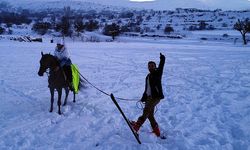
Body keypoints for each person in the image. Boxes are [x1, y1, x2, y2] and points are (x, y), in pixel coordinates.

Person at [131, 53, 165, 137]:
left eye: (152, 66)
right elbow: (147, 89)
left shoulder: (157, 73)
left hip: (156, 97)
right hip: (149, 97)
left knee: (146, 110)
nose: (150, 67)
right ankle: (156, 131)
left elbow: (161, 66)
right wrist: (144, 97)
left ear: (155, 66)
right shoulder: (148, 76)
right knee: (150, 115)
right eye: (149, 66)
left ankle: (137, 126)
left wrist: (162, 59)